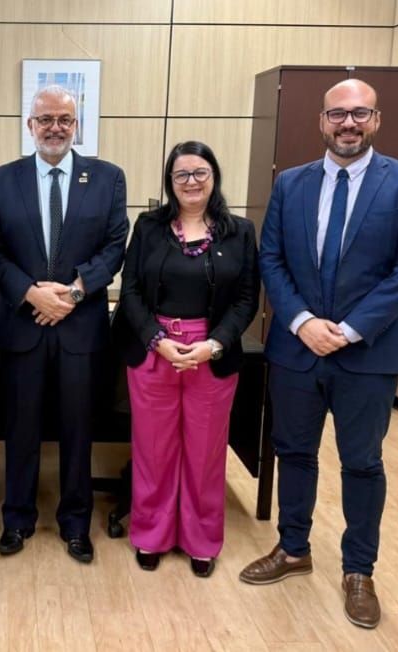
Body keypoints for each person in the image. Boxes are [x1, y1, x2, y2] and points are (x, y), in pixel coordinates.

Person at [239, 79, 398, 629]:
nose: (348, 123)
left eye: (359, 113)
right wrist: (302, 321)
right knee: (293, 451)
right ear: (322, 121)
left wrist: (349, 330)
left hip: (369, 354)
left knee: (362, 462)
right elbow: (271, 258)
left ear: (375, 120)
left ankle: (359, 571)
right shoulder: (292, 184)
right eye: (338, 114)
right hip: (297, 349)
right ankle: (293, 548)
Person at [0, 85, 129, 563]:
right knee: (20, 429)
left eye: (64, 119)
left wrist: (73, 293)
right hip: (23, 326)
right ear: (30, 125)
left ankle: (75, 524)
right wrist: (31, 293)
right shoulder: (1, 180)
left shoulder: (107, 178)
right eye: (45, 119)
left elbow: (115, 247)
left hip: (80, 328)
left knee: (78, 431)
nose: (55, 128)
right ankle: (17, 519)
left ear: (76, 125)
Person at [117, 141, 258, 576]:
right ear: (170, 181)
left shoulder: (239, 231)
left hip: (210, 353)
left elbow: (247, 298)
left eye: (200, 173)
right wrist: (156, 339)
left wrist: (213, 345)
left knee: (205, 453)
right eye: (181, 175)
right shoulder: (149, 227)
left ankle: (201, 541)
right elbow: (130, 290)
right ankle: (151, 534)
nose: (191, 182)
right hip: (155, 349)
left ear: (214, 176)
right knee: (153, 450)